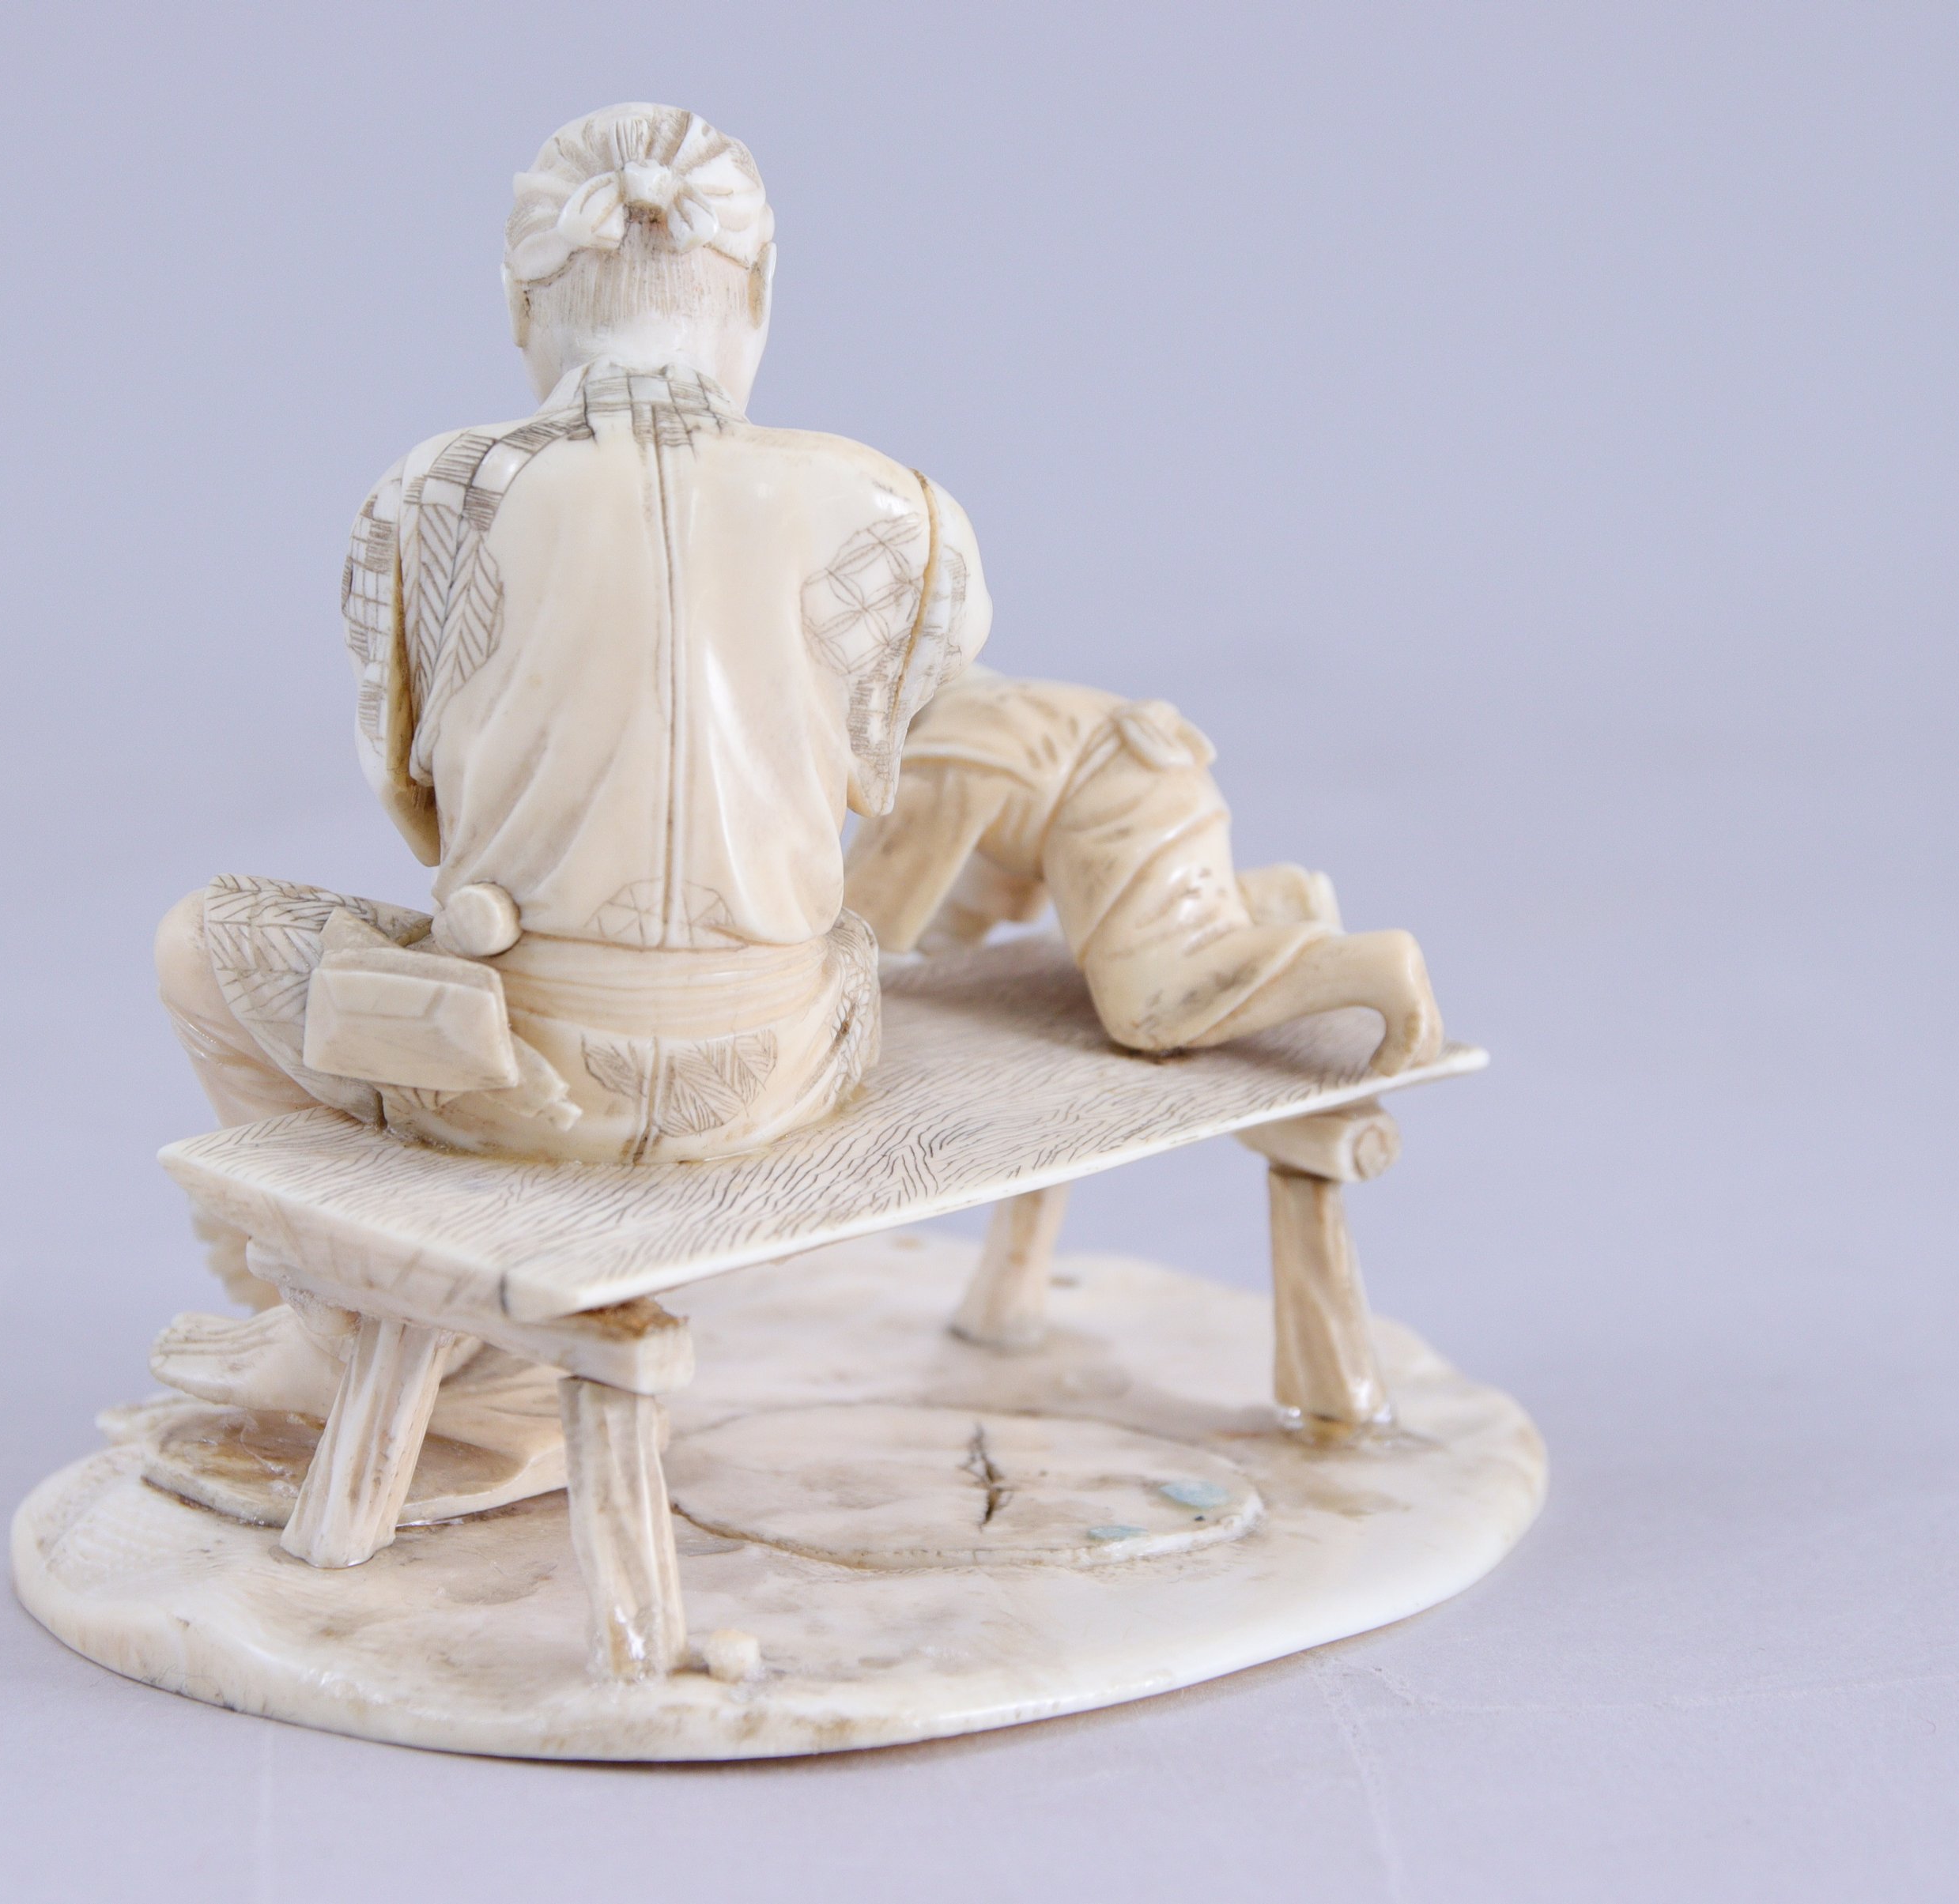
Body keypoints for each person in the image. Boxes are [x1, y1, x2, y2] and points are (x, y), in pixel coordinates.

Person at [153, 104, 988, 1392]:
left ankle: (342, 1330)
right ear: (761, 287)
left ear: (518, 300)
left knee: (202, 940)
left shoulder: (434, 494)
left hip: (515, 1070)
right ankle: (431, 1346)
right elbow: (895, 756)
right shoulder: (908, 512)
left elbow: (419, 806)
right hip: (790, 1056)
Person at [844, 669, 1446, 1076]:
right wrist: (946, 946)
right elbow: (996, 857)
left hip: (1129, 821)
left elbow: (863, 925)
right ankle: (1269, 904)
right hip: (1163, 789)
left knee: (1153, 1006)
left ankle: (1374, 966)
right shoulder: (976, 699)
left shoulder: (937, 758)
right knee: (1184, 931)